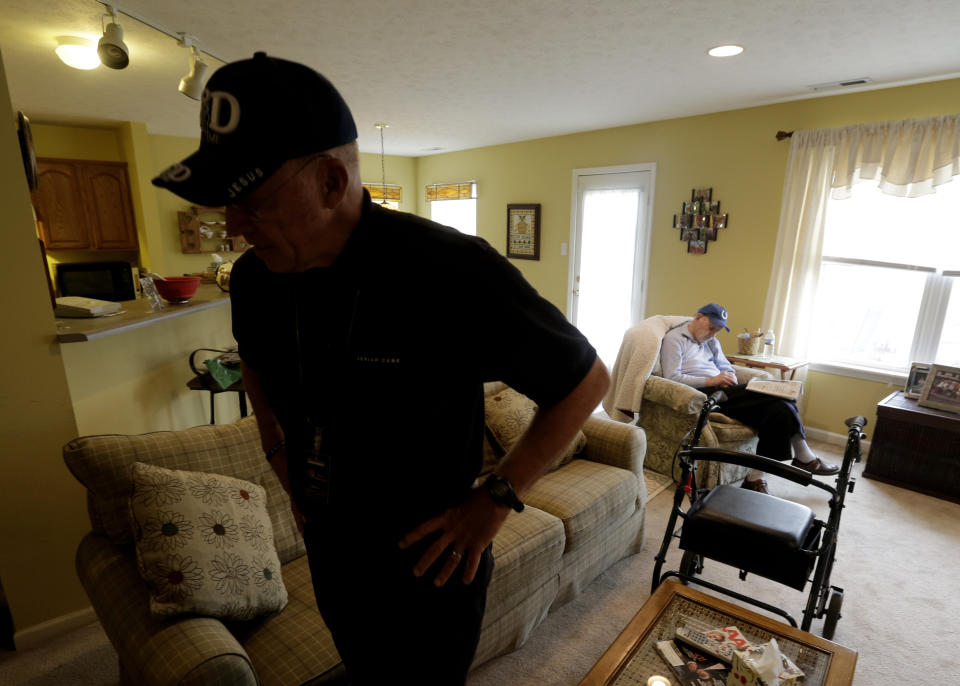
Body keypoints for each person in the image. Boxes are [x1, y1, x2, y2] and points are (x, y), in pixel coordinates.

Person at [152, 52, 609, 685]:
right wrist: (276, 447)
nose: (231, 226)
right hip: (330, 549)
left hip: (434, 562)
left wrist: (500, 496)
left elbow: (586, 381)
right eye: (223, 202)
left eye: (251, 199)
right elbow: (253, 362)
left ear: (331, 183)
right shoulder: (256, 278)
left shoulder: (449, 270)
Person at [659, 303, 838, 494]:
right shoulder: (675, 339)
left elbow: (726, 366)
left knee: (780, 407)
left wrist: (729, 376)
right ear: (698, 317)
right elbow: (672, 377)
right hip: (705, 394)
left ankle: (755, 477)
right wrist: (712, 380)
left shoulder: (711, 342)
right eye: (711, 328)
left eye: (717, 330)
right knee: (782, 395)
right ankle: (804, 457)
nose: (712, 334)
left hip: (725, 389)